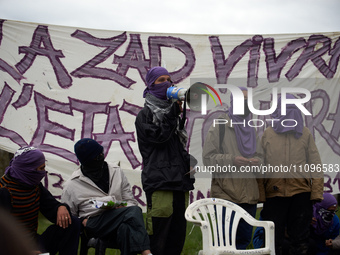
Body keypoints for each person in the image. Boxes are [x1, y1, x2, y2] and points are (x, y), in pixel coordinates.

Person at [135, 66, 197, 255]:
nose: (167, 83)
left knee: (176, 238)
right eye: (161, 80)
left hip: (179, 182)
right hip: (160, 182)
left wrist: (188, 162)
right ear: (151, 85)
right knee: (158, 238)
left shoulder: (173, 114)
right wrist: (172, 114)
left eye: (169, 79)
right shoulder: (144, 115)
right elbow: (158, 139)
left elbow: (175, 147)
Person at [61, 138, 152, 255]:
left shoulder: (116, 171)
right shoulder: (72, 185)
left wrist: (118, 206)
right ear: (87, 161)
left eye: (102, 153)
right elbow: (70, 217)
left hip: (119, 219)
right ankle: (146, 252)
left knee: (126, 228)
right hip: (93, 224)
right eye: (98, 157)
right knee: (134, 211)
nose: (102, 157)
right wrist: (83, 221)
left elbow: (130, 201)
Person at [259, 94, 324, 255]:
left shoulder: (305, 133)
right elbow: (260, 166)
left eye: (292, 108)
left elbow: (315, 164)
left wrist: (316, 192)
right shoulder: (268, 133)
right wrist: (261, 194)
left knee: (300, 241)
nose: (289, 112)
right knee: (274, 240)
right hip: (274, 194)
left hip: (301, 194)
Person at [202, 87, 263, 249]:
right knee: (224, 243)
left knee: (242, 243)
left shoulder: (251, 128)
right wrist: (232, 160)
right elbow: (208, 159)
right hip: (226, 195)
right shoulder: (220, 126)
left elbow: (262, 159)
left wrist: (257, 161)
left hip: (248, 196)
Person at [0, 146, 81, 255]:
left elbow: (51, 208)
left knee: (72, 222)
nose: (44, 172)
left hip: (34, 243)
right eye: (41, 168)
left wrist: (61, 207)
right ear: (28, 169)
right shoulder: (4, 191)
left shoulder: (34, 186)